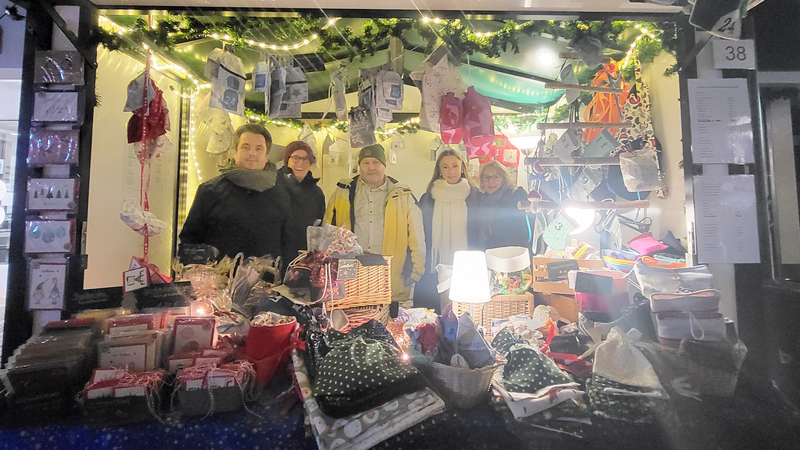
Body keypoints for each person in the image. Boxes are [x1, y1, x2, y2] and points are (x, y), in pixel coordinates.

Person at [324, 144, 425, 315]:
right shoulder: (343, 191)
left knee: (387, 322)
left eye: (376, 162)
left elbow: (416, 236)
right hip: (352, 270)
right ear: (359, 165)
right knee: (353, 321)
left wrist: (416, 271)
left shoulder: (402, 194)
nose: (371, 167)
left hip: (387, 270)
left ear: (384, 165)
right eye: (366, 162)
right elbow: (328, 231)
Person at [180, 123, 293, 265]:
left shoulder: (281, 194)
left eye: (259, 149)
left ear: (266, 156)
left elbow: (288, 243)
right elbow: (190, 241)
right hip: (219, 283)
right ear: (235, 152)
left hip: (267, 283)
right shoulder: (210, 191)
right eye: (246, 147)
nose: (252, 153)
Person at [413, 149, 480, 312]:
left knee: (465, 312)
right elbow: (420, 232)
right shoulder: (428, 198)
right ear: (439, 170)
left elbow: (481, 231)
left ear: (462, 168)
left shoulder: (475, 197)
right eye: (445, 167)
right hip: (433, 264)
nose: (451, 171)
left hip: (466, 264)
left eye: (455, 166)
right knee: (431, 313)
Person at [276, 140, 325, 258]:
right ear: (287, 160)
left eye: (305, 159)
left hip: (305, 255)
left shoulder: (316, 193)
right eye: (296, 158)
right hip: (277, 252)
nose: (300, 163)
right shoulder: (275, 185)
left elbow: (318, 225)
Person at [475, 160, 531, 250]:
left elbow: (525, 231)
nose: (491, 181)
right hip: (486, 253)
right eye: (487, 177)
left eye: (496, 177)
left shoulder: (517, 196)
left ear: (504, 179)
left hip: (512, 252)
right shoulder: (478, 199)